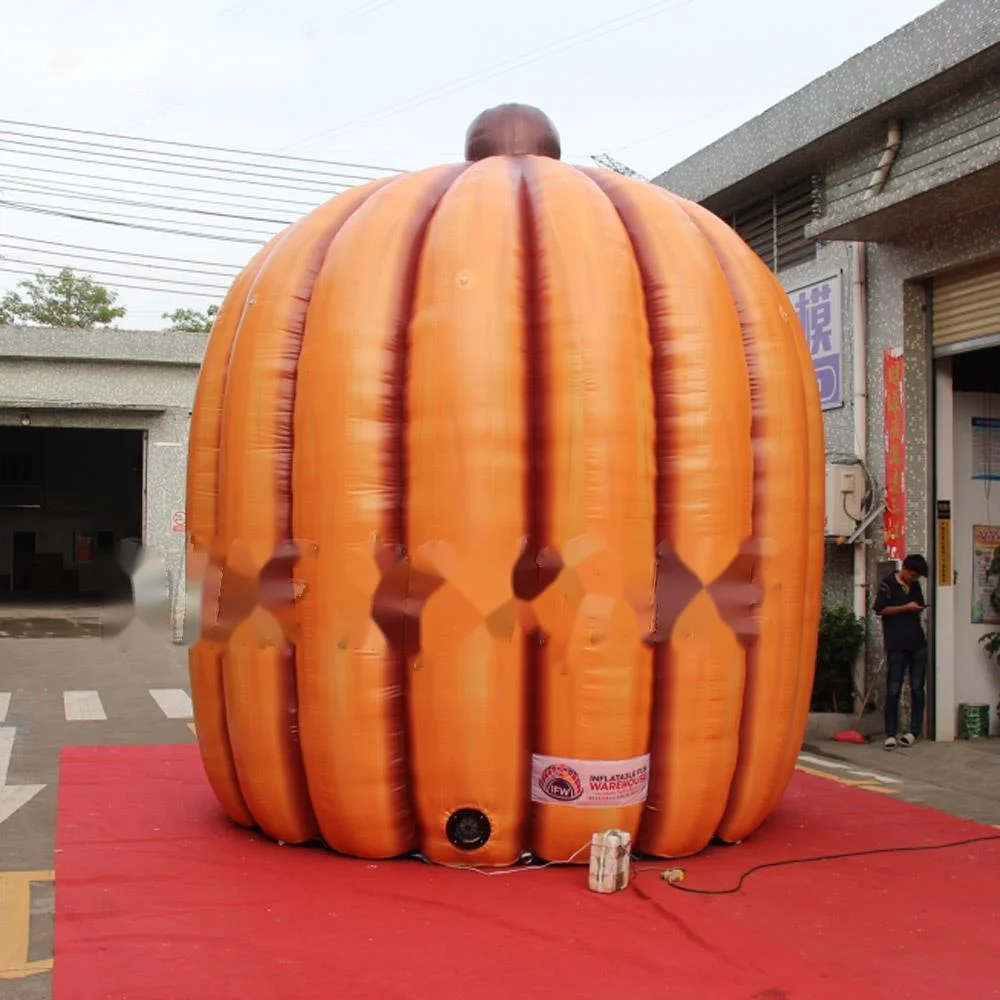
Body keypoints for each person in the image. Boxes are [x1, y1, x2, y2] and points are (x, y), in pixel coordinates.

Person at [872, 554, 929, 750]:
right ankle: (890, 733)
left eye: (917, 577)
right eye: (912, 575)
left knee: (917, 688)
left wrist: (916, 608)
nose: (914, 579)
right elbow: (880, 610)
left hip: (917, 642)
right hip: (896, 643)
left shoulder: (915, 586)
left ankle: (914, 731)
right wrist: (905, 607)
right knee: (893, 689)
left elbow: (919, 605)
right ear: (903, 568)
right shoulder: (887, 584)